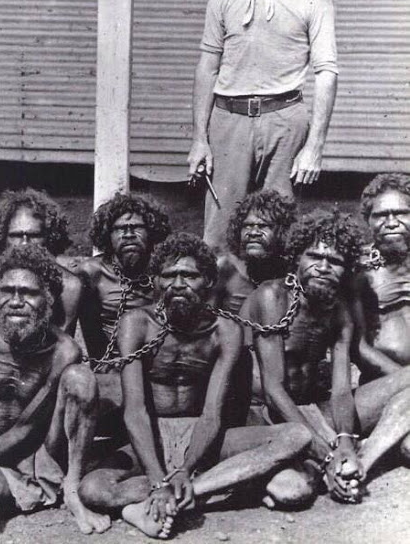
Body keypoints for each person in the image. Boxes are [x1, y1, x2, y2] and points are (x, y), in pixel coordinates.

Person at [79, 233, 311, 539]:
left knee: (296, 435)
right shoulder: (137, 323)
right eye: (169, 275)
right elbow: (135, 411)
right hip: (153, 434)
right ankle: (193, 491)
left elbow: (212, 413)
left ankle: (190, 491)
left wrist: (187, 470)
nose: (178, 284)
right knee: (93, 488)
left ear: (209, 281)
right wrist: (157, 478)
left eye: (189, 276)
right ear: (156, 281)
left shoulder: (225, 330)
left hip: (202, 436)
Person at [187, 0, 338, 250]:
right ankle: (221, 286)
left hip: (284, 121)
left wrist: (314, 147)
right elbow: (207, 67)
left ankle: (275, 286)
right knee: (219, 231)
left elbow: (326, 71)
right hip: (229, 121)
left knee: (279, 228)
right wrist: (199, 139)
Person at [242, 210, 410, 506]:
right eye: (314, 257)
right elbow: (273, 390)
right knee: (293, 491)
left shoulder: (338, 307)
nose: (322, 267)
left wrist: (344, 440)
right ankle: (321, 467)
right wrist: (328, 454)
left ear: (346, 269)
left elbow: (341, 388)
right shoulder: (272, 296)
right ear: (296, 257)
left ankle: (361, 460)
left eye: (334, 261)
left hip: (316, 409)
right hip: (269, 417)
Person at [0, 245, 110, 538]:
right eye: (8, 291)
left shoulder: (63, 350)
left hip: (31, 456)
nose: (16, 301)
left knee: (81, 379)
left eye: (28, 293)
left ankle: (72, 488)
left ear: (48, 299)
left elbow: (26, 427)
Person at [76, 193, 171, 435]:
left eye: (137, 227)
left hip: (155, 366)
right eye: (120, 229)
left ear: (151, 231)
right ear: (107, 235)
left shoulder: (165, 272)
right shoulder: (91, 274)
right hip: (111, 367)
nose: (128, 234)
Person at [0, 188, 82, 335]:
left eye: (34, 235)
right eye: (16, 235)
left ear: (50, 237)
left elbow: (63, 345)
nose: (24, 243)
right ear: (3, 237)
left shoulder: (69, 287)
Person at [352, 173, 410, 382]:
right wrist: (405, 379)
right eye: (381, 215)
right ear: (368, 220)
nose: (391, 222)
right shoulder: (357, 269)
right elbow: (357, 346)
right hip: (383, 380)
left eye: (401, 213)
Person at [212, 189, 296, 313]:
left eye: (263, 226)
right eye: (247, 226)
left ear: (282, 231)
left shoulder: (291, 271)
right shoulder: (225, 267)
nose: (253, 233)